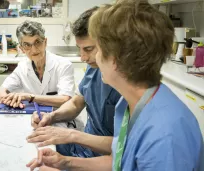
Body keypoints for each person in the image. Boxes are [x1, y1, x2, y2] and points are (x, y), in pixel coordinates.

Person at [27, 0, 203, 170]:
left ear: (119, 58)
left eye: (98, 49)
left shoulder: (165, 136)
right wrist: (65, 163)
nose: (88, 59)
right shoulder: (131, 105)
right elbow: (121, 159)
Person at [26, 5, 121, 170]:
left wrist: (72, 137)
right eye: (80, 49)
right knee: (32, 154)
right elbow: (77, 102)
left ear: (110, 44)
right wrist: (52, 117)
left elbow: (124, 148)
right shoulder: (95, 68)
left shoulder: (125, 85)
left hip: (102, 159)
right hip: (83, 146)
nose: (83, 57)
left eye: (88, 49)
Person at [0, 21, 75, 108]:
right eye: (27, 45)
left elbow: (65, 99)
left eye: (37, 42)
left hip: (59, 118)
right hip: (32, 116)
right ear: (22, 49)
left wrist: (29, 97)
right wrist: (12, 100)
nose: (34, 49)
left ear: (45, 42)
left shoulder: (63, 65)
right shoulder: (22, 67)